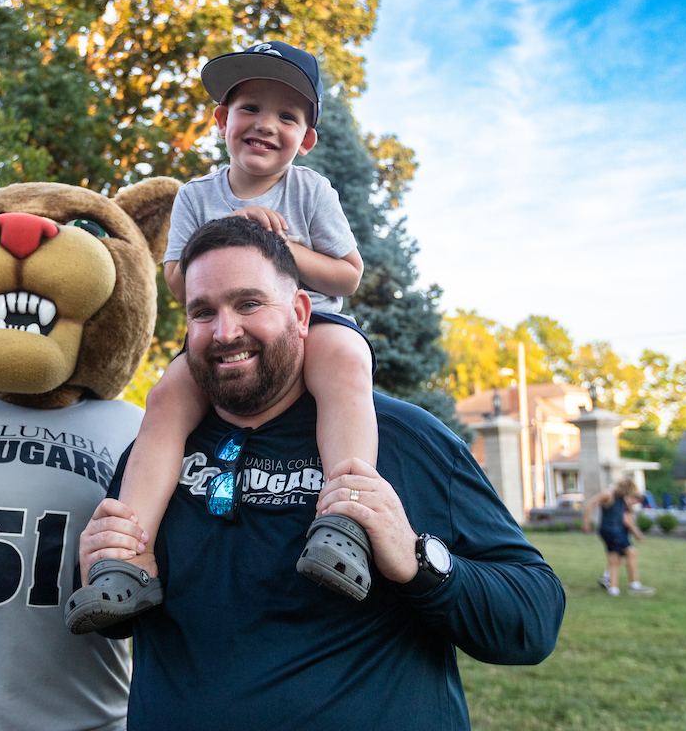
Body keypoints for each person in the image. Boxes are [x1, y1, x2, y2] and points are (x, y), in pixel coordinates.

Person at [77, 217, 566, 728]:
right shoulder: (154, 456)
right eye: (203, 312)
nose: (225, 332)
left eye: (248, 303)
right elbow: (123, 619)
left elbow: (532, 620)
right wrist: (95, 565)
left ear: (301, 312)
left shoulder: (402, 438)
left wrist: (416, 559)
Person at [67, 41, 379, 632]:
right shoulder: (196, 196)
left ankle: (346, 520)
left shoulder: (310, 193)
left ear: (306, 139)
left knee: (345, 359)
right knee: (164, 398)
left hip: (307, 324)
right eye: (250, 109)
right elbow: (180, 281)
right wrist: (230, 233)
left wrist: (280, 251)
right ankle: (125, 559)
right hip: (222, 331)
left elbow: (348, 274)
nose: (266, 125)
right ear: (222, 121)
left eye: (287, 116)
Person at [583, 477, 655, 597]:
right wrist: (586, 523)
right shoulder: (608, 495)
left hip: (616, 531)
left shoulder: (623, 499)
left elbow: (627, 514)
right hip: (609, 530)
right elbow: (590, 504)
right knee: (631, 552)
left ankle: (613, 588)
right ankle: (634, 585)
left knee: (615, 558)